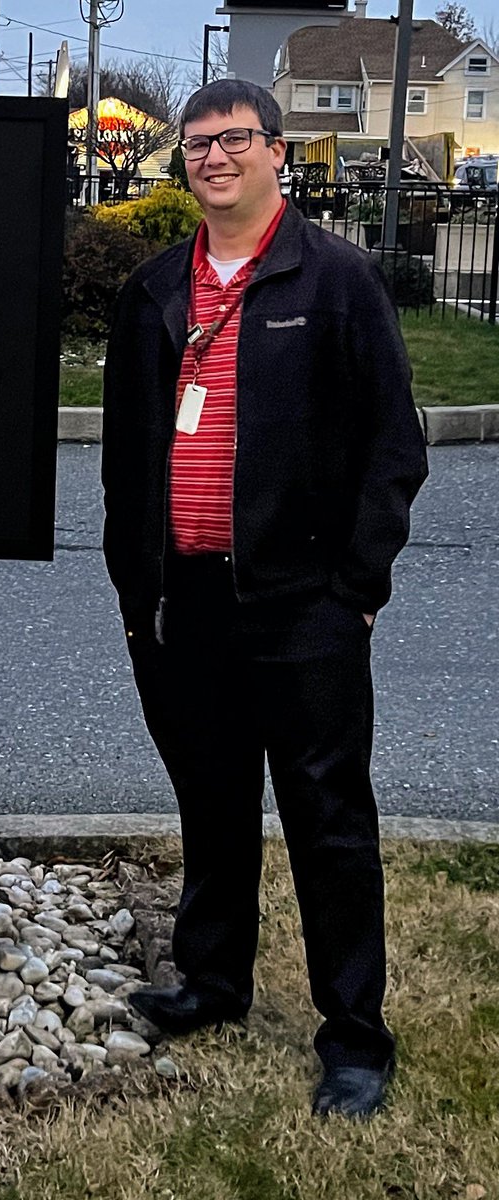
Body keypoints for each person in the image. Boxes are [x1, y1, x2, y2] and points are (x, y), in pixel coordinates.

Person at [101, 80, 427, 1119]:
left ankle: (355, 1037)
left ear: (278, 153)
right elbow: (122, 457)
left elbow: (393, 446)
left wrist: (358, 587)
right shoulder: (153, 291)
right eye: (197, 145)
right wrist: (132, 584)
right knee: (211, 801)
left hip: (305, 605)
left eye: (235, 139)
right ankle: (213, 981)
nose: (214, 158)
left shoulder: (335, 281)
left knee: (328, 819)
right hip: (183, 600)